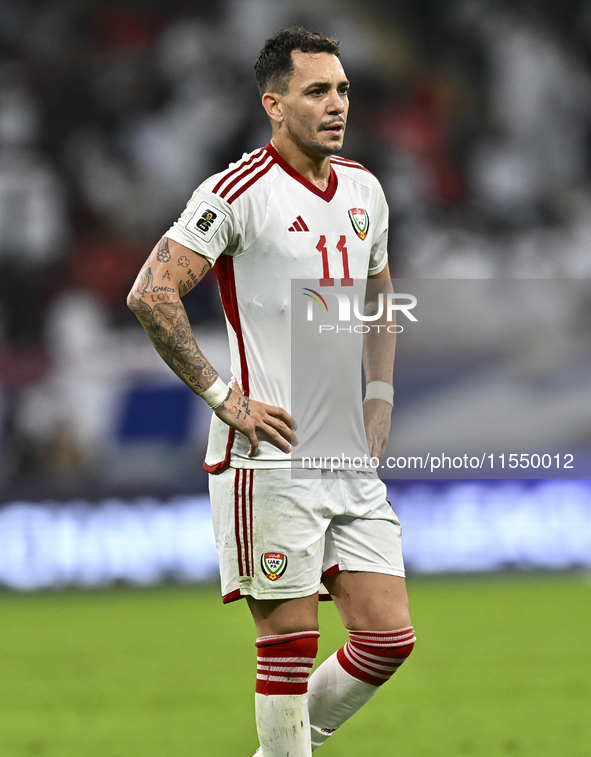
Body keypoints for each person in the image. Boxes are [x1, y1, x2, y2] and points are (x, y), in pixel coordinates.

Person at [128, 26, 414, 757]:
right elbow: (151, 292)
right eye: (316, 90)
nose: (336, 103)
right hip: (269, 451)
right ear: (274, 104)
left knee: (387, 637)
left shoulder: (363, 189)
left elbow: (379, 289)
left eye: (342, 89)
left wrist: (377, 393)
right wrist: (224, 395)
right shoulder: (234, 193)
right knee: (289, 639)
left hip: (345, 451)